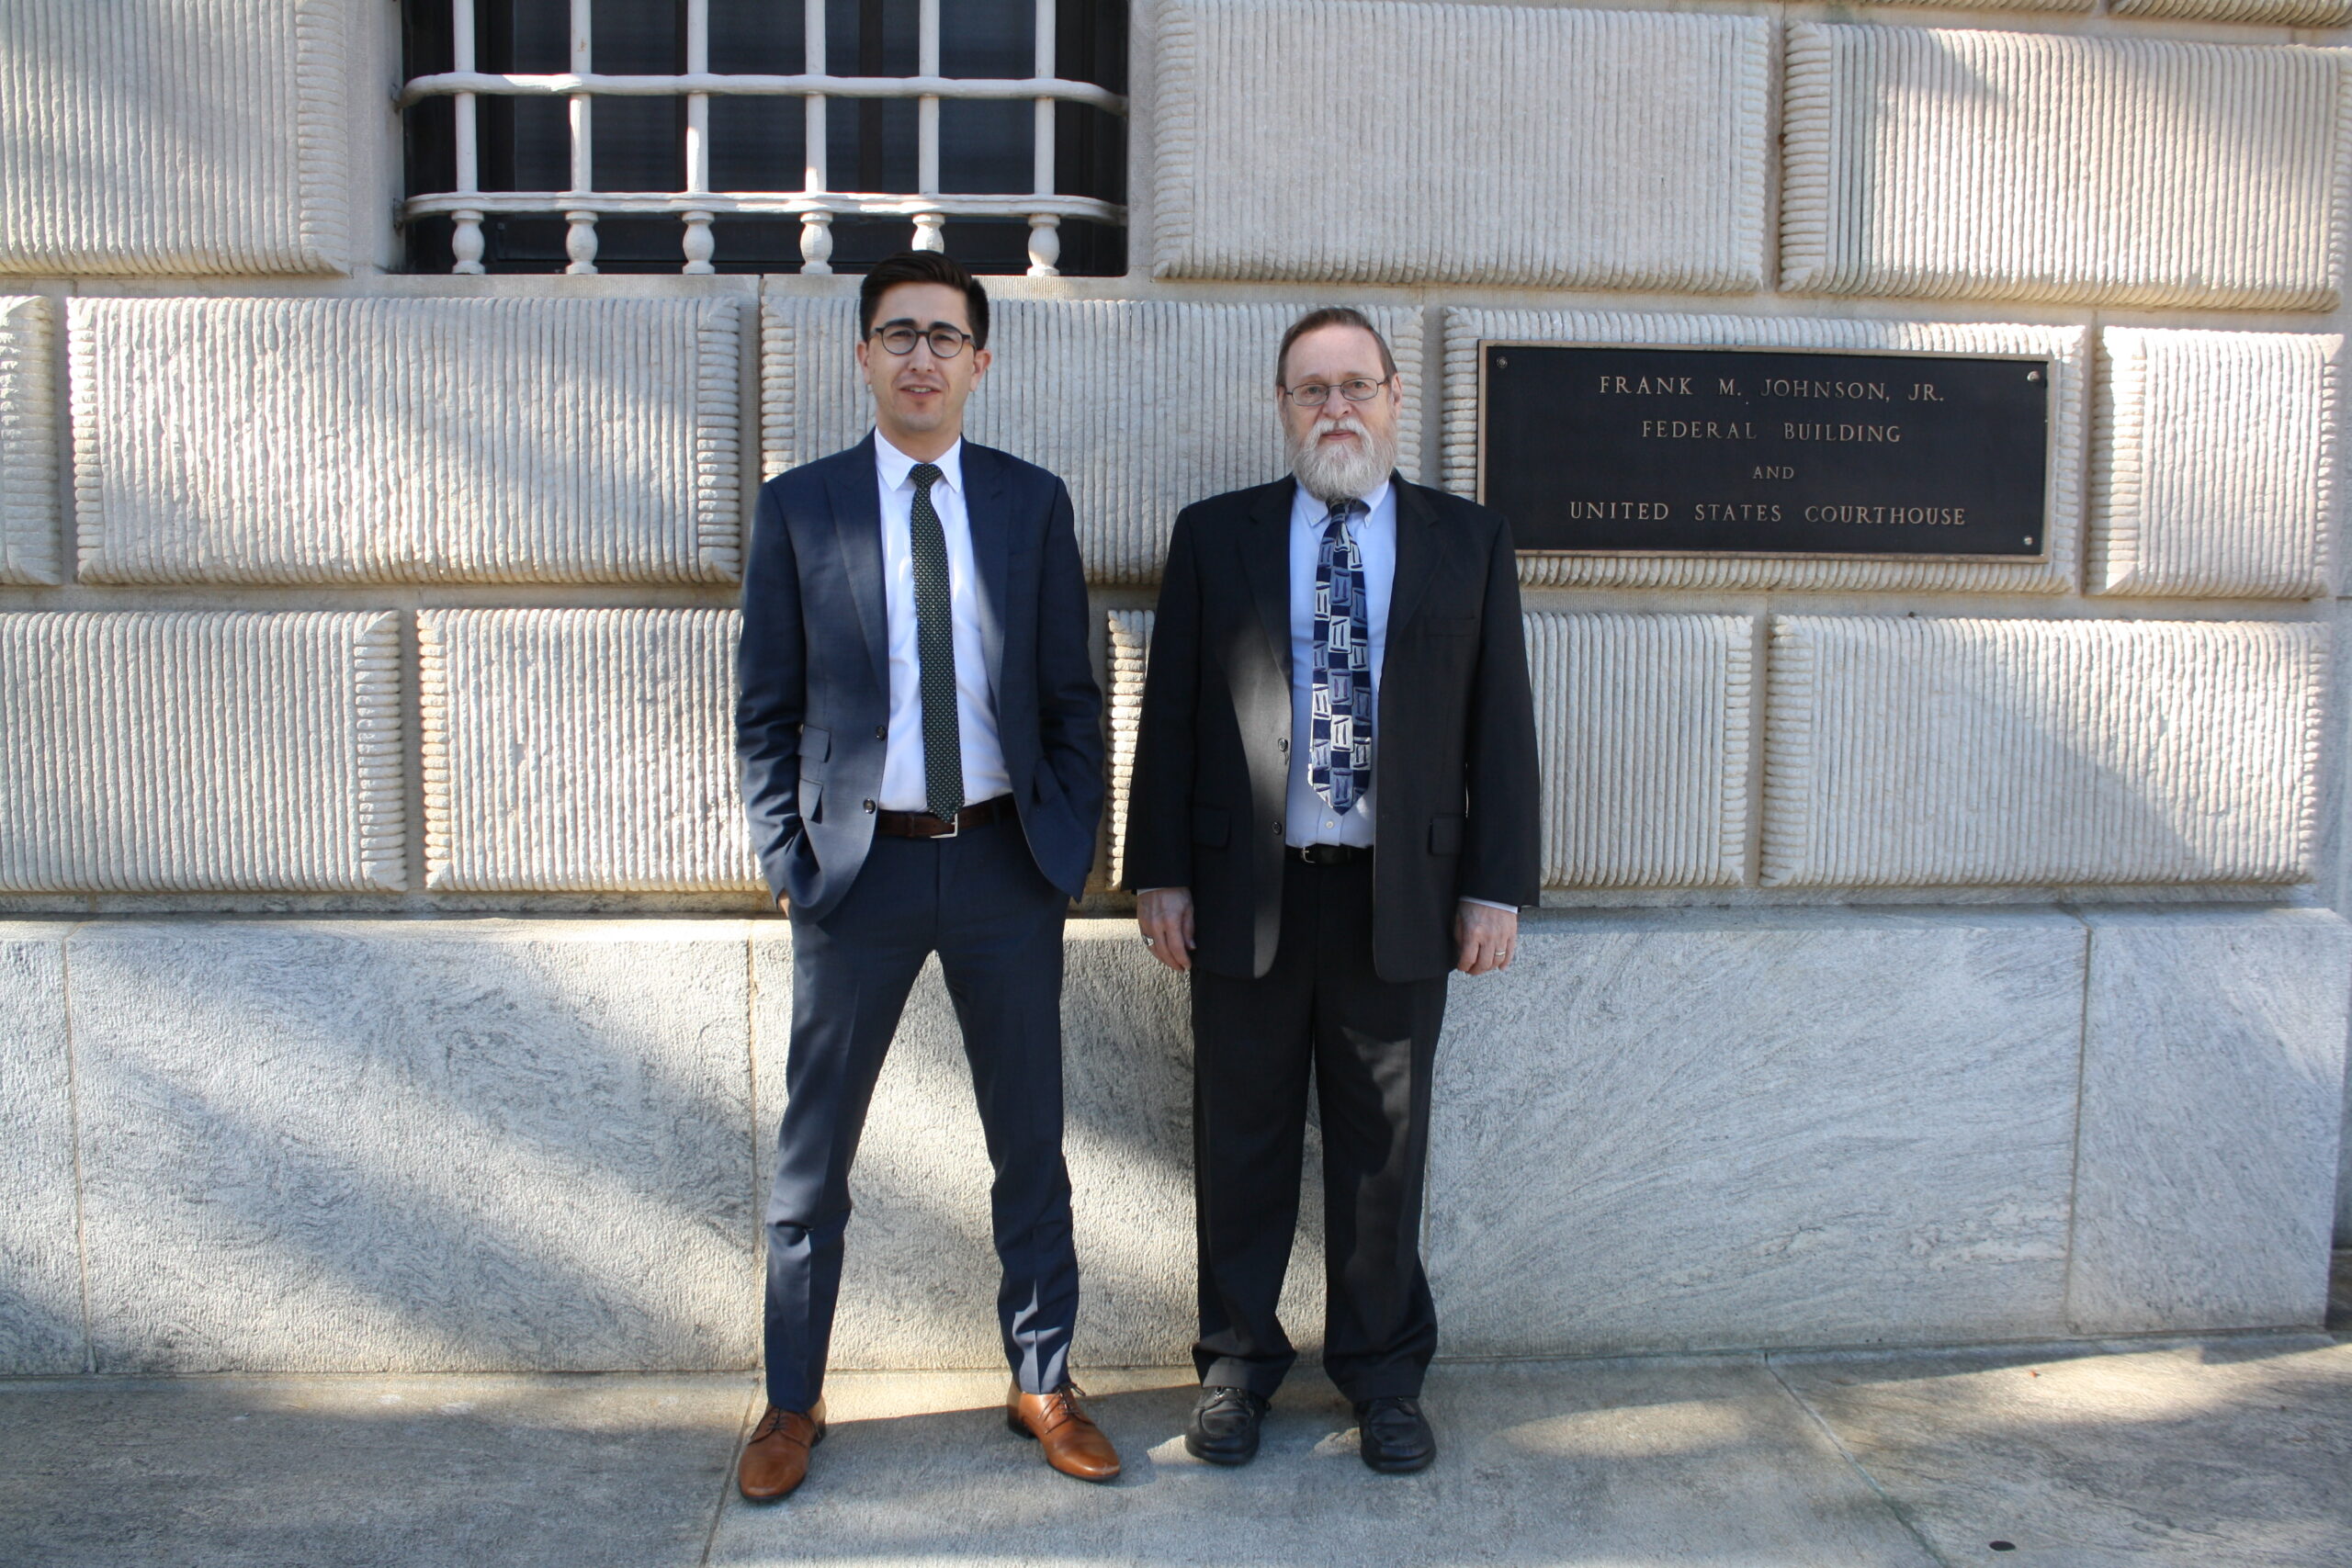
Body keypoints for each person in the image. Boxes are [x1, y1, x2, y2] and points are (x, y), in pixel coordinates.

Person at [1125, 306, 1540, 1473]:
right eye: (1312, 389)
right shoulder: (1217, 536)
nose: (1336, 408)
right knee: (1240, 1139)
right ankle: (1235, 1368)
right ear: (1283, 408)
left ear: (1396, 398)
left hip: (1398, 899)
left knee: (1384, 1154)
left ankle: (1383, 1377)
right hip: (1244, 894)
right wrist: (1159, 870)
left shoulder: (1468, 540)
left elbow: (1500, 724)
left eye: (1357, 385)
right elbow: (1171, 717)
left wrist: (1495, 887)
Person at [734, 250, 1116, 1500]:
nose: (921, 357)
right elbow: (764, 707)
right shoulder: (802, 508)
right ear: (863, 355)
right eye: (898, 334)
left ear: (979, 362)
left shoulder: (1028, 503)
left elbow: (1071, 694)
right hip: (859, 877)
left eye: (945, 337)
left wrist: (1068, 849)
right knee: (813, 1159)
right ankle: (792, 1397)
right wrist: (788, 855)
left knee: (1030, 1141)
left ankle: (1043, 1379)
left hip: (1006, 863)